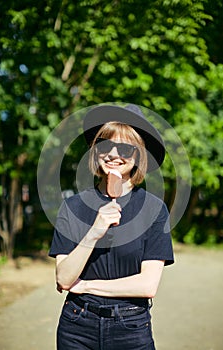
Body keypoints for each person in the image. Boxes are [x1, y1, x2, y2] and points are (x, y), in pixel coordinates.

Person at [49, 104, 174, 350]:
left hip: (131, 327)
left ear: (138, 156)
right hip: (76, 326)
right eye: (105, 145)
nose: (113, 154)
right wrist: (94, 231)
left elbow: (147, 286)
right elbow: (63, 278)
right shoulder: (72, 208)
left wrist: (86, 285)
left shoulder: (153, 209)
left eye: (125, 148)